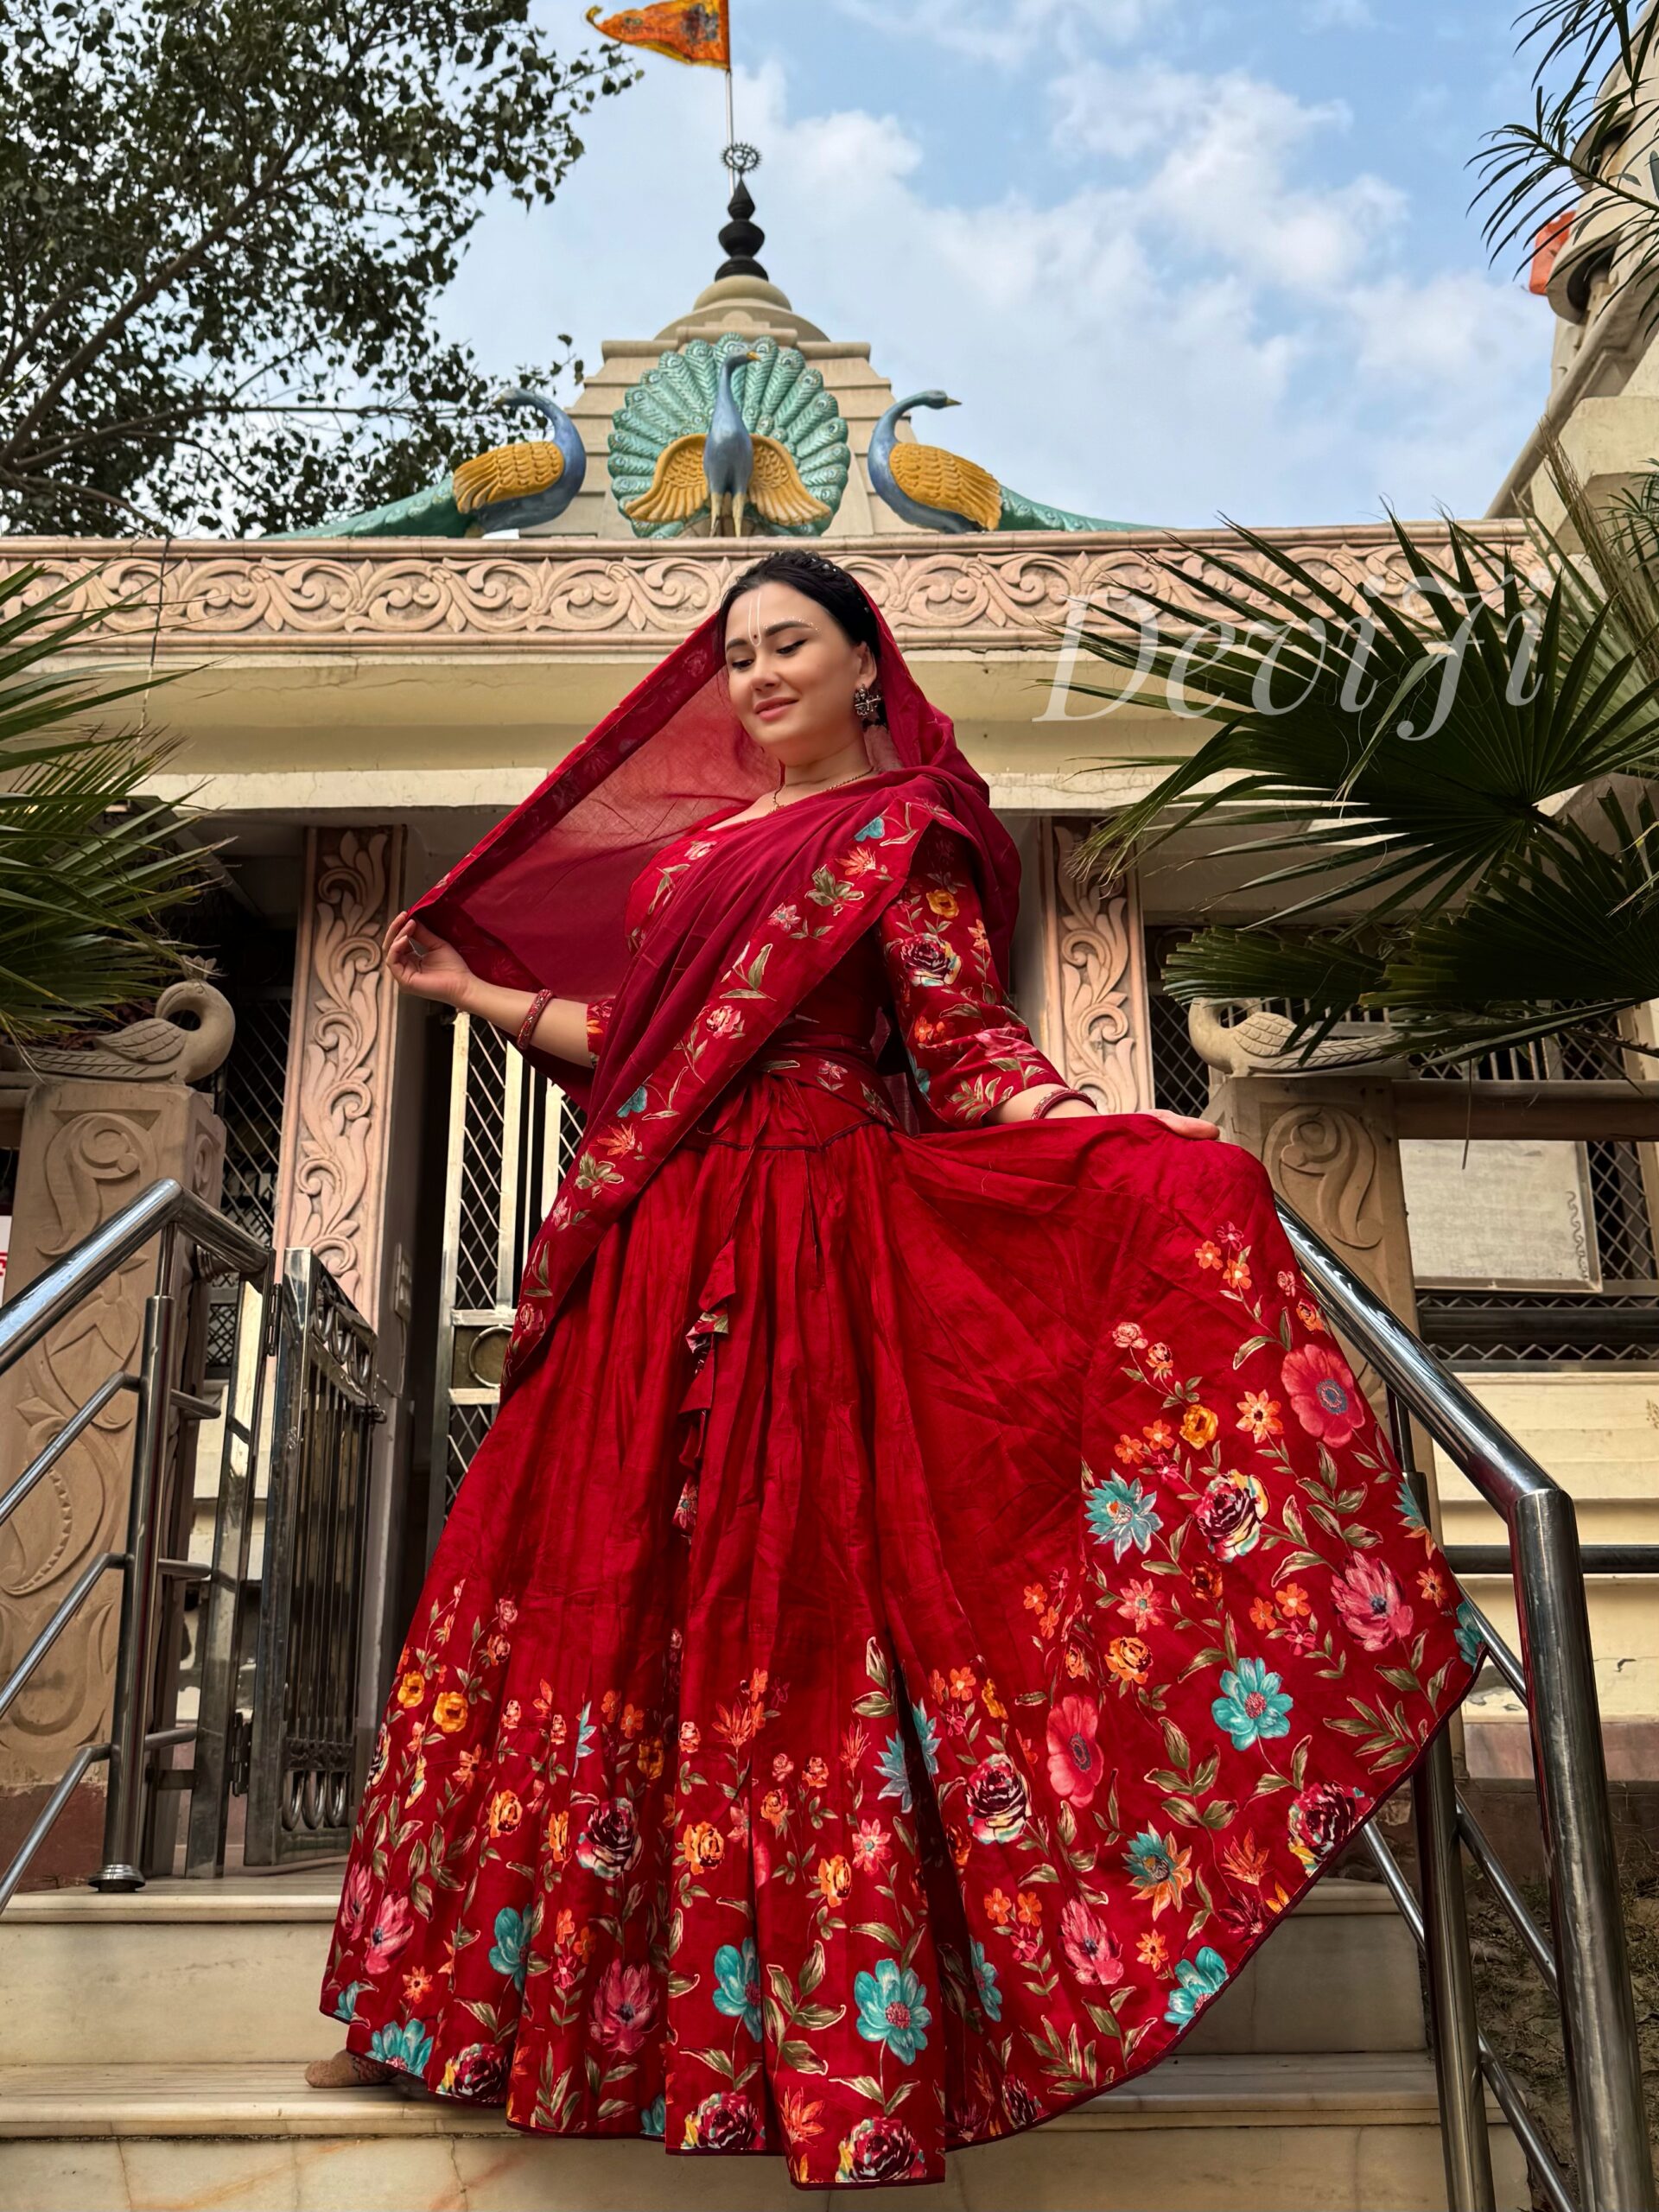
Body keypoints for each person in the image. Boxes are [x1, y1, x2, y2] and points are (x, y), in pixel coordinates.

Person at [307, 549, 1479, 2188]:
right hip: (657, 1256)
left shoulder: (899, 833)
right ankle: (493, 2016)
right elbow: (643, 1048)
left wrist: (1104, 1131)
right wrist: (478, 994)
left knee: (795, 1601)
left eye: (789, 643)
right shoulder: (696, 858)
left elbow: (964, 1048)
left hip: (813, 1243)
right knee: (600, 1590)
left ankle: (824, 2051)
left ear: (868, 662)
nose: (757, 677)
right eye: (736, 656)